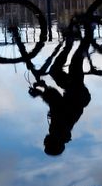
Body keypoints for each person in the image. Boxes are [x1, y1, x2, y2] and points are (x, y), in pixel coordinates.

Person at [28, 15, 96, 155]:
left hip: (74, 94)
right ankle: (90, 28)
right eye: (46, 145)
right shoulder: (58, 131)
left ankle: (70, 41)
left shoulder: (59, 132)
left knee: (55, 71)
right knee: (75, 62)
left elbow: (57, 103)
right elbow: (56, 103)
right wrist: (40, 92)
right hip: (77, 93)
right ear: (52, 143)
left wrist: (44, 88)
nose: (44, 142)